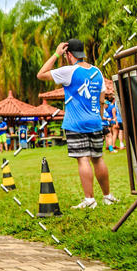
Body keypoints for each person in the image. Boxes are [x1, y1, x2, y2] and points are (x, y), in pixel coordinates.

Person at [37, 38, 118, 209]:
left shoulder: (69, 71)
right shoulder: (96, 71)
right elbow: (102, 98)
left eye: (65, 54)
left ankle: (89, 200)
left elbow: (41, 74)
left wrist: (55, 54)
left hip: (76, 123)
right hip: (96, 121)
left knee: (83, 159)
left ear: (69, 54)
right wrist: (100, 118)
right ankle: (107, 196)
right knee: (98, 158)